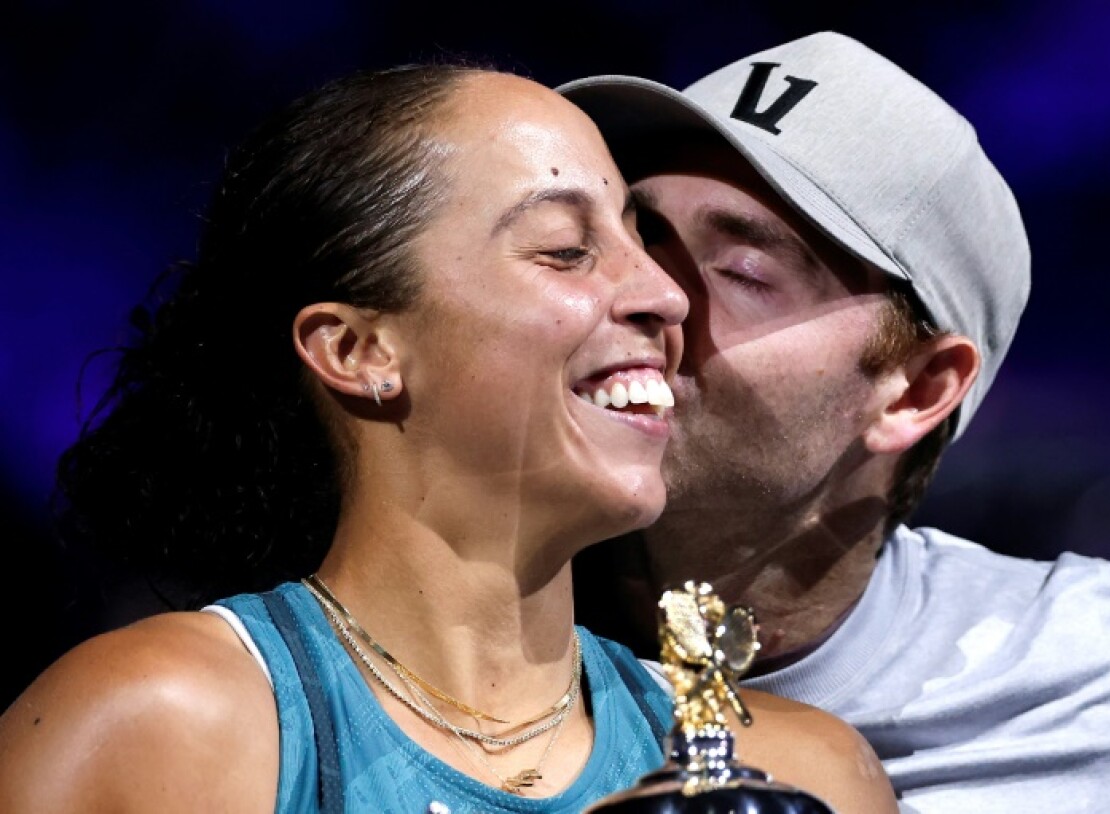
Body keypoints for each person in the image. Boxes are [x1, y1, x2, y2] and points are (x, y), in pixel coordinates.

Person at [0, 62, 898, 813]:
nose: (666, 297)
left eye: (636, 239)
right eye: (563, 249)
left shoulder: (797, 774)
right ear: (358, 349)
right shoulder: (164, 728)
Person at [560, 31, 1110, 813]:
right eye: (637, 235)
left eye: (741, 271)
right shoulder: (439, 638)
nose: (646, 294)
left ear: (917, 390)